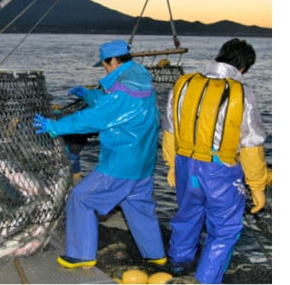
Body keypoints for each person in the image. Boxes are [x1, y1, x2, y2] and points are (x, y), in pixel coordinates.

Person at [33, 39, 166, 268]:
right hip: (144, 163)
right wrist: (87, 94)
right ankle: (155, 255)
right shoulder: (140, 81)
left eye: (104, 64)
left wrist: (54, 127)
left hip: (121, 164)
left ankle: (82, 255)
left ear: (113, 61)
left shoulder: (122, 91)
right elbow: (110, 104)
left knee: (81, 198)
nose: (105, 68)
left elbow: (95, 118)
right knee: (139, 206)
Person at [161, 38, 272, 283]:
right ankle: (205, 280)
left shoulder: (184, 84)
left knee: (187, 216)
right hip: (220, 173)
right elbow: (251, 146)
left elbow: (170, 129)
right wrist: (257, 186)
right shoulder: (241, 94)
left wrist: (171, 164)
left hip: (184, 165)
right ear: (243, 68)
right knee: (224, 231)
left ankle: (179, 264)